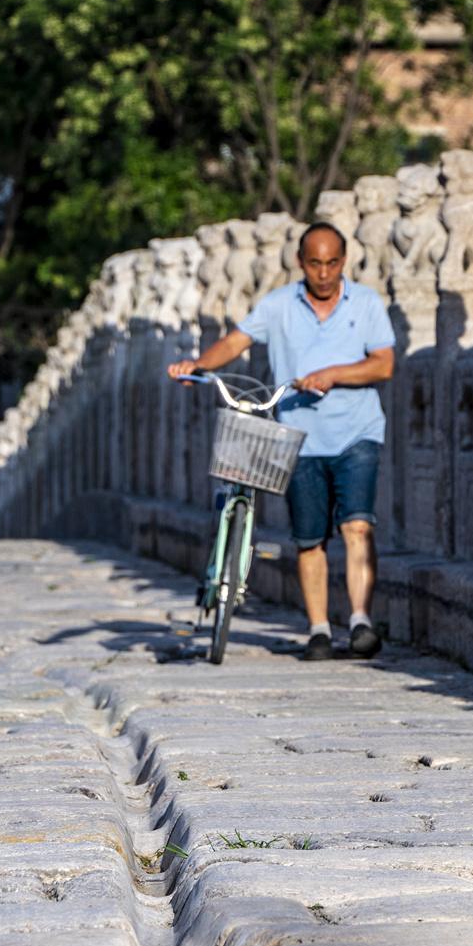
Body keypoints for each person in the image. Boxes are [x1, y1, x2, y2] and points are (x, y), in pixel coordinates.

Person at [168, 222, 395, 660]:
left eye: (332, 263)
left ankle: (361, 621)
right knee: (309, 539)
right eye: (315, 263)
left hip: (357, 432)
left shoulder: (365, 303)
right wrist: (196, 366)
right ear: (300, 263)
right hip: (298, 438)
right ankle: (318, 630)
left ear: (344, 261)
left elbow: (382, 365)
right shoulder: (278, 305)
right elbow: (236, 341)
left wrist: (334, 374)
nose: (324, 273)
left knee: (357, 525)